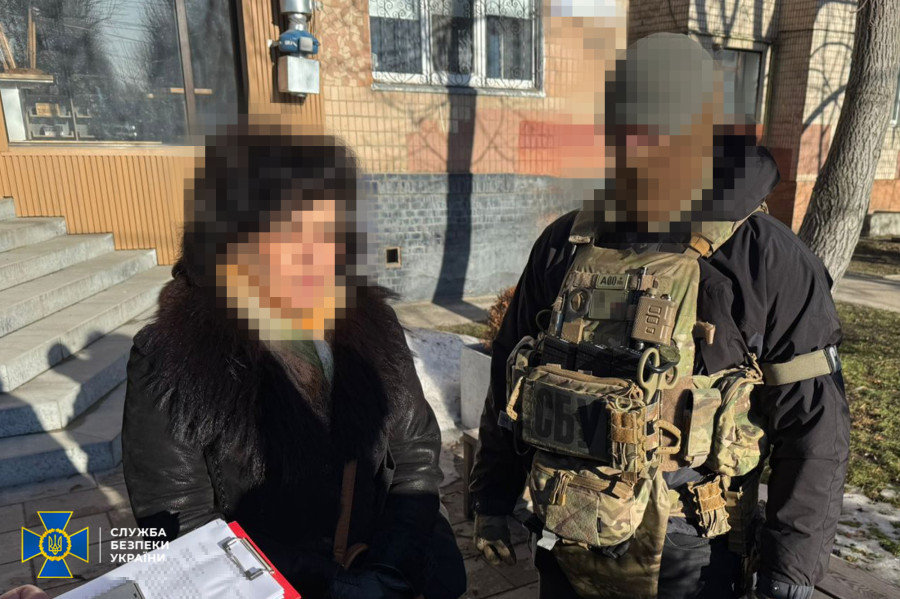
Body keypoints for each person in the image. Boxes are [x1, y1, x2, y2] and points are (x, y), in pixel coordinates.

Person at [469, 33, 849, 599]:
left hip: (690, 553)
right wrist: (493, 497)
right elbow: (511, 375)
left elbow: (814, 429)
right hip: (564, 528)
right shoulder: (566, 243)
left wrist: (788, 572)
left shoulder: (766, 259)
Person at [122, 126, 466, 599]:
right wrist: (329, 584)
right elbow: (180, 526)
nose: (317, 257)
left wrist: (391, 567)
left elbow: (416, 457)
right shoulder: (173, 357)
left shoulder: (371, 325)